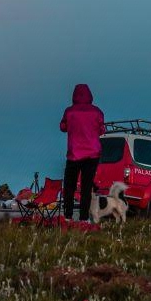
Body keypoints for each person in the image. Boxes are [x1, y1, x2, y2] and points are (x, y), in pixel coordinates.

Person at [60, 83, 105, 222]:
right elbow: (102, 130)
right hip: (92, 155)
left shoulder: (70, 111)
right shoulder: (97, 112)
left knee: (69, 186)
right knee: (86, 187)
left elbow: (62, 127)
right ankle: (84, 218)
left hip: (74, 154)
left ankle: (67, 216)